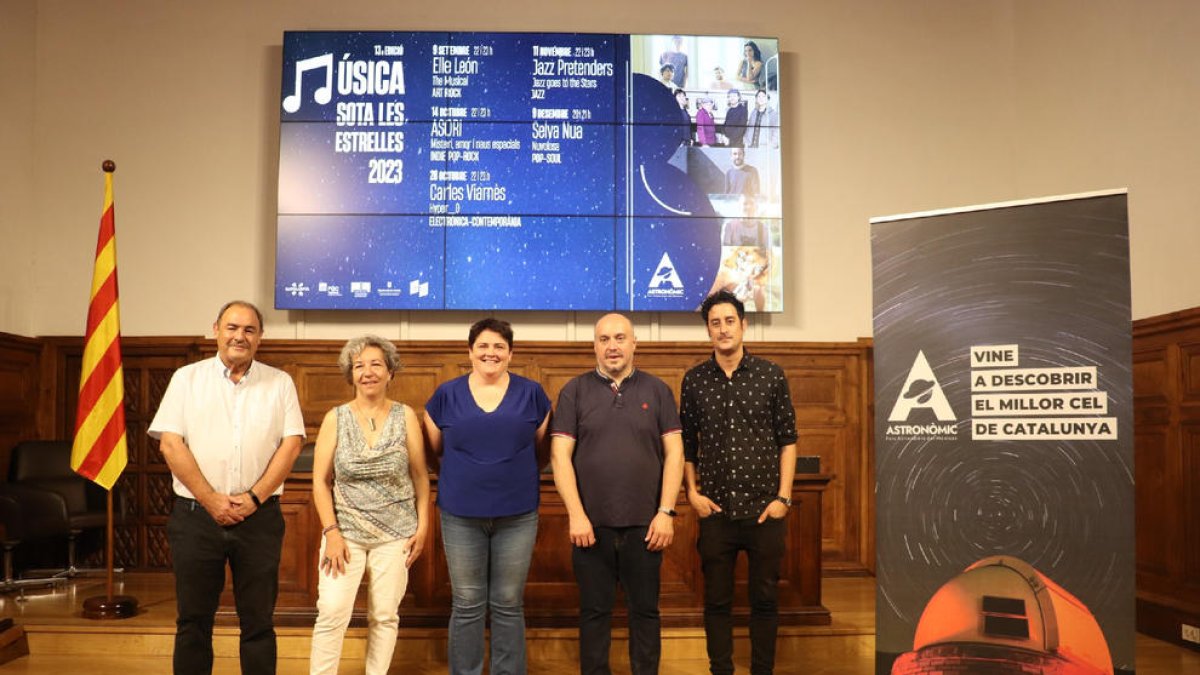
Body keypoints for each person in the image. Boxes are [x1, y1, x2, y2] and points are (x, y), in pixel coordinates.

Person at [149, 300, 305, 675]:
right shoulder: (187, 379)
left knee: (258, 623)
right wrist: (211, 499)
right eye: (232, 327)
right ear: (216, 329)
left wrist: (254, 498)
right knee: (193, 622)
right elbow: (170, 443)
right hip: (196, 518)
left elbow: (292, 444)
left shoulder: (280, 383)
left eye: (250, 330)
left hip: (260, 519)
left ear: (260, 338)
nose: (240, 336)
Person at [551, 313, 685, 675]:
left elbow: (675, 453)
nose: (612, 346)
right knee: (594, 613)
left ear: (634, 343)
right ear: (594, 345)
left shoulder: (657, 390)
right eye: (604, 339)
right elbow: (559, 456)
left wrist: (666, 512)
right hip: (590, 528)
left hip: (647, 526)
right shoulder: (574, 391)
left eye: (620, 338)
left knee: (645, 612)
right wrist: (576, 515)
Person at [424, 318, 552, 675]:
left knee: (508, 602)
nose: (490, 352)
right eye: (483, 346)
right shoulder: (446, 395)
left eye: (499, 346)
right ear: (470, 351)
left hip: (518, 514)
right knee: (467, 602)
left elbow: (542, 452)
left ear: (511, 353)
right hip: (460, 514)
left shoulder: (533, 394)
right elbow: (433, 452)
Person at [681, 290, 798, 675]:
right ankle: (721, 671)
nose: (723, 329)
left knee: (764, 599)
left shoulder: (771, 375)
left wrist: (784, 497)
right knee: (717, 601)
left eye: (729, 321)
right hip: (715, 511)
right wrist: (692, 493)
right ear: (708, 331)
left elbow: (788, 440)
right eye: (715, 323)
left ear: (743, 325)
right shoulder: (694, 381)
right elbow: (688, 445)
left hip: (765, 509)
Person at [309, 335, 431, 675]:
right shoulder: (336, 417)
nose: (368, 372)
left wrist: (422, 527)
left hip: (396, 533)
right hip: (344, 534)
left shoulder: (405, 416)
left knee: (384, 615)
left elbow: (420, 477)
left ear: (390, 371)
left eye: (376, 364)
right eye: (359, 365)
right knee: (332, 611)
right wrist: (331, 532)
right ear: (350, 373)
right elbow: (320, 480)